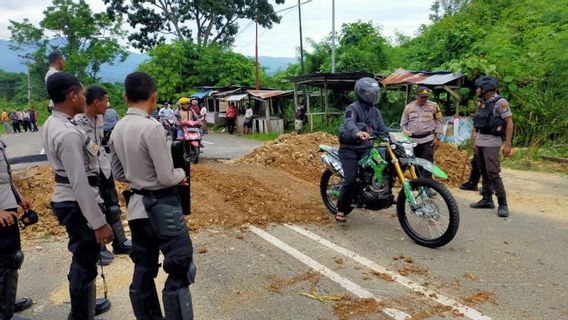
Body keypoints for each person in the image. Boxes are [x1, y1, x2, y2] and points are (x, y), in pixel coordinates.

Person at [109, 72, 196, 319]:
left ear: (125, 96)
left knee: (144, 268)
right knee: (180, 267)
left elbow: (118, 172)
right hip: (163, 208)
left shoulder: (117, 129)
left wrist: (140, 178)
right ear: (154, 97)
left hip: (137, 208)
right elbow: (167, 176)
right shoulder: (152, 128)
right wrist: (181, 173)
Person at [41, 72, 113, 319]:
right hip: (75, 200)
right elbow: (79, 182)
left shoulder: (56, 123)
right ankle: (81, 314)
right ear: (72, 95)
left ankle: (85, 308)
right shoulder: (68, 133)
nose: (84, 97)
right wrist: (99, 223)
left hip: (70, 198)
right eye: (81, 93)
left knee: (84, 258)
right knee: (84, 262)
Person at [75, 85, 133, 264]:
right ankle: (99, 248)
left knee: (113, 206)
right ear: (96, 101)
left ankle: (120, 241)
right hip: (88, 171)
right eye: (105, 101)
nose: (108, 105)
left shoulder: (100, 118)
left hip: (104, 166)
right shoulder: (77, 121)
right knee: (95, 208)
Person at [335, 77, 388, 223]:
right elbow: (349, 123)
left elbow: (383, 130)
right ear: (361, 93)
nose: (372, 95)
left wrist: (399, 135)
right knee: (350, 179)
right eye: (369, 93)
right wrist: (357, 132)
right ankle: (341, 209)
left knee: (382, 166)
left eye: (374, 92)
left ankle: (377, 192)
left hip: (367, 147)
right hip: (349, 149)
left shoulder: (375, 111)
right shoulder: (352, 109)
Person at [470, 76, 514, 217]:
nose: (476, 90)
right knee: (483, 171)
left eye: (478, 87)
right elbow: (477, 122)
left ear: (485, 89)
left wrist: (508, 144)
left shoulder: (501, 102)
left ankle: (503, 204)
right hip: (480, 141)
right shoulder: (481, 103)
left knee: (493, 173)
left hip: (492, 142)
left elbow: (509, 122)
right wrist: (474, 138)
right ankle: (487, 199)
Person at [0, 139, 34, 319]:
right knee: (7, 260)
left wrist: (18, 197)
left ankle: (7, 301)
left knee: (10, 258)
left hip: (7, 206)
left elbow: (4, 177)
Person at [400, 86, 443, 180]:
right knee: (417, 164)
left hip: (428, 139)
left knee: (427, 164)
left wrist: (437, 137)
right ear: (416, 96)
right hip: (413, 141)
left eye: (426, 97)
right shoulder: (409, 107)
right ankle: (420, 186)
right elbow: (403, 124)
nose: (424, 99)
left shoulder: (434, 106)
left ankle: (428, 187)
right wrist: (406, 132)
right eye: (422, 97)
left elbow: (439, 122)